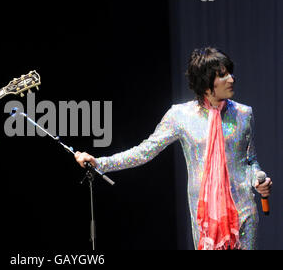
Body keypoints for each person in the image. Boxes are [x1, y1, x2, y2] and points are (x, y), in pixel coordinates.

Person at [74, 47, 272, 250]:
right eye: (222, 75)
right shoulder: (180, 116)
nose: (231, 79)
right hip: (206, 218)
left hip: (244, 211)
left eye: (230, 72)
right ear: (205, 83)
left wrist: (258, 179)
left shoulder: (243, 113)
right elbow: (144, 151)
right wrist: (101, 163)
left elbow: (249, 160)